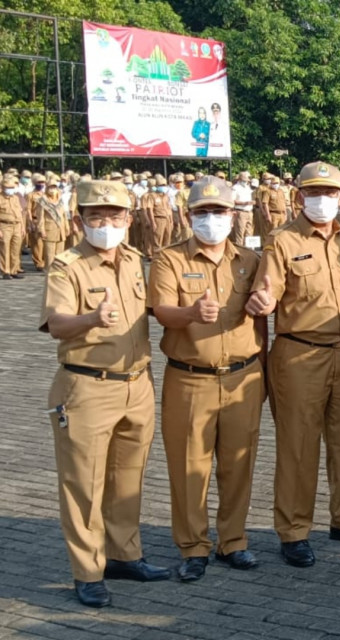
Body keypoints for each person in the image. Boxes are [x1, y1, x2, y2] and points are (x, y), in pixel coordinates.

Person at [244, 161, 340, 568]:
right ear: (299, 196)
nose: (322, 200)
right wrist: (263, 302)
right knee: (298, 446)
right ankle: (294, 530)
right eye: (314, 192)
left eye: (330, 192)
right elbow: (266, 297)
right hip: (299, 353)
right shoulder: (282, 242)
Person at [40, 180, 171, 607]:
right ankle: (88, 571)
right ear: (81, 220)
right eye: (97, 216)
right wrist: (91, 318)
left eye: (115, 216)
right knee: (84, 485)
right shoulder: (67, 265)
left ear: (129, 220)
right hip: (87, 386)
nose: (107, 224)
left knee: (127, 479)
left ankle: (123, 554)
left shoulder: (133, 260)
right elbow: (57, 324)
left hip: (136, 385)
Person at [149, 176, 267, 581]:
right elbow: (162, 311)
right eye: (203, 212)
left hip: (242, 376)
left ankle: (233, 540)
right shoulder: (170, 260)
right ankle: (193, 545)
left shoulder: (249, 261)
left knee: (239, 463)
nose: (211, 219)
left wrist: (264, 373)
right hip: (190, 378)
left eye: (219, 211)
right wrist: (191, 314)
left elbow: (261, 320)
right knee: (188, 467)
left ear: (233, 216)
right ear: (188, 215)